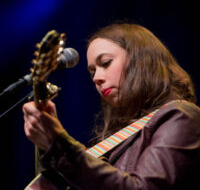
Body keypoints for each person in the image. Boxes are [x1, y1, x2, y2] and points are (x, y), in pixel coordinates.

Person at [23, 23, 200, 190]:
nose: (96, 78)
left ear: (142, 60)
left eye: (106, 63)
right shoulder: (114, 140)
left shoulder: (181, 116)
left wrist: (59, 144)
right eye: (92, 71)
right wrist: (46, 143)